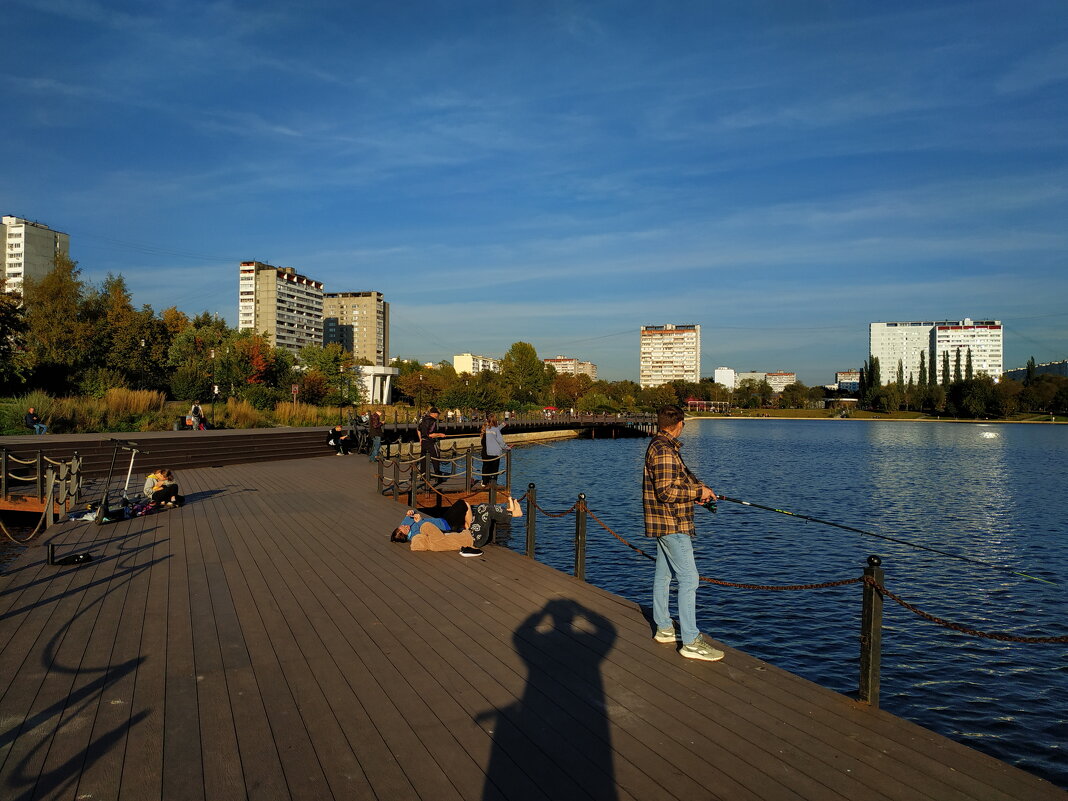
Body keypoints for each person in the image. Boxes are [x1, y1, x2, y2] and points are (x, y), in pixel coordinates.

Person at [644, 404, 724, 662]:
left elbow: (679, 480)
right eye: (684, 423)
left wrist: (700, 489)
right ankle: (690, 641)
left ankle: (664, 627)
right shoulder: (665, 451)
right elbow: (666, 492)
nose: (684, 427)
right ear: (678, 424)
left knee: (664, 574)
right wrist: (697, 493)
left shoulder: (661, 446)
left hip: (664, 522)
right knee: (690, 579)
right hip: (672, 523)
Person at [390, 497, 523, 551]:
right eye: (405, 528)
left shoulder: (405, 526)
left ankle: (510, 512)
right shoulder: (418, 535)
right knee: (474, 508)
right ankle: (514, 514)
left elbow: (408, 518)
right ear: (405, 535)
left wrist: (410, 512)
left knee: (481, 507)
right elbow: (432, 532)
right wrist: (419, 522)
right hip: (453, 530)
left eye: (402, 525)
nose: (406, 525)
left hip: (460, 529)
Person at [417, 406, 447, 483]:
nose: (438, 415)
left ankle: (423, 476)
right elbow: (430, 434)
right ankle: (438, 477)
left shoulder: (423, 419)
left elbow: (418, 429)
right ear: (433, 414)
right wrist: (440, 434)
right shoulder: (432, 421)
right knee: (436, 458)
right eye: (437, 414)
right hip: (430, 442)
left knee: (423, 459)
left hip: (423, 442)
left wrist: (420, 439)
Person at [479, 413, 509, 487]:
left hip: (485, 453)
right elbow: (500, 440)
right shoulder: (495, 430)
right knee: (494, 469)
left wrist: (501, 425)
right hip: (495, 452)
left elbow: (493, 431)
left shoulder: (486, 429)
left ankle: (484, 482)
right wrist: (506, 447)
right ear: (495, 421)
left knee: (485, 467)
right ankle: (493, 482)